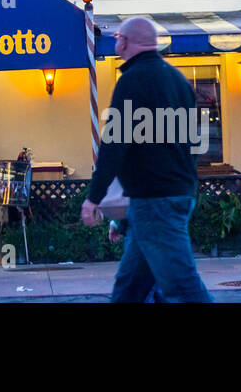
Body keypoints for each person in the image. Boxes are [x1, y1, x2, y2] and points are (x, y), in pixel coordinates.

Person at [81, 16, 212, 303]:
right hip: (166, 197)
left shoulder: (132, 80)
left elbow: (115, 144)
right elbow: (187, 145)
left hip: (156, 202)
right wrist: (126, 219)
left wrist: (94, 198)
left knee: (181, 286)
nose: (116, 42)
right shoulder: (177, 80)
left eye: (118, 38)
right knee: (129, 288)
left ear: (125, 41)